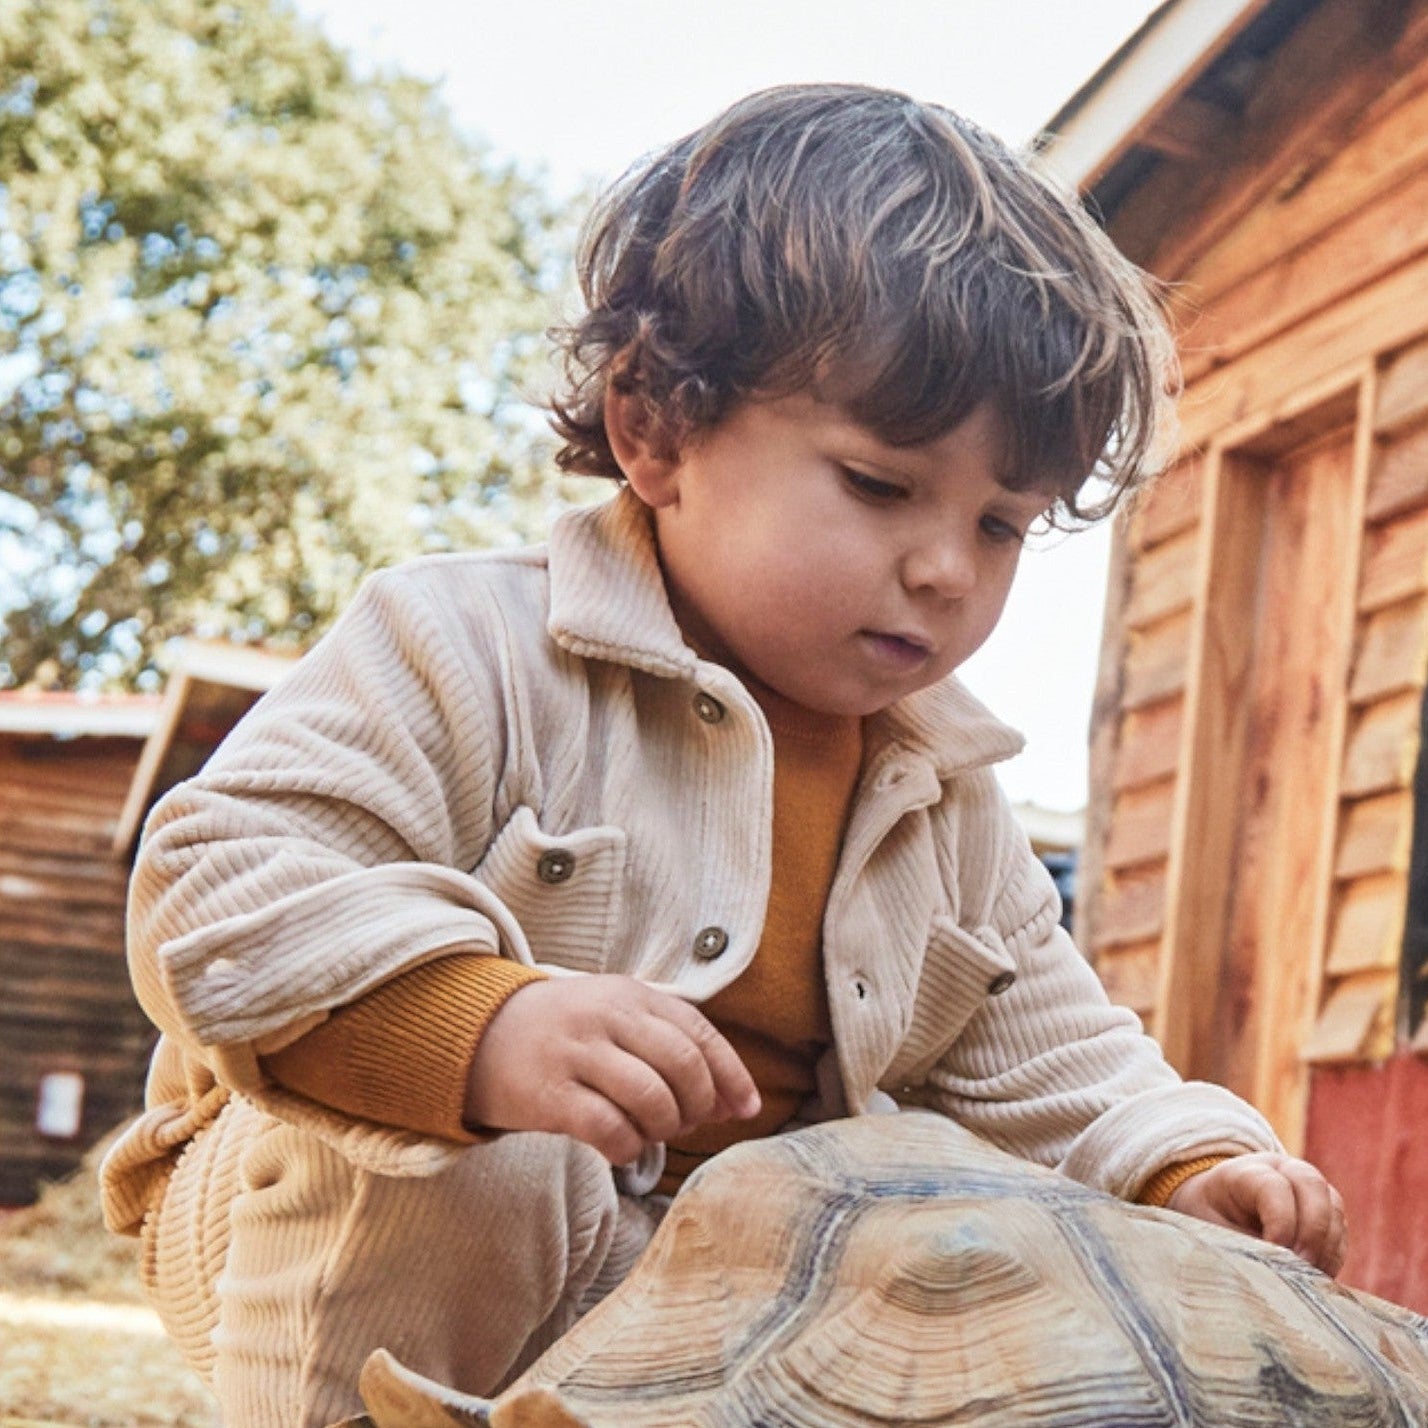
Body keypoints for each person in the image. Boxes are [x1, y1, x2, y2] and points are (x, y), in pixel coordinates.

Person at [101, 83, 1347, 1428]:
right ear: (655, 431)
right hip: (328, 1215)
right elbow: (216, 889)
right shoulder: (462, 642)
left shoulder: (941, 790)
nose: (942, 570)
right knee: (517, 1164)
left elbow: (1048, 1055)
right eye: (881, 486)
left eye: (1002, 525)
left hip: (701, 1295)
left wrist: (1181, 1160)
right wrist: (477, 1026)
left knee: (945, 1264)